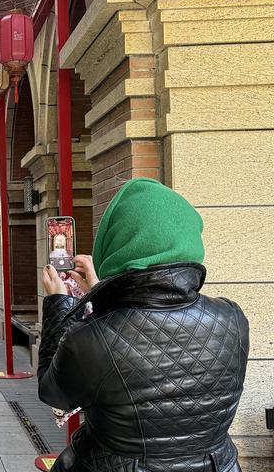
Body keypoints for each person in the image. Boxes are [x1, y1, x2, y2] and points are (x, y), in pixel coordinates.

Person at [37, 178, 249, 472]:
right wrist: (103, 292)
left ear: (116, 245)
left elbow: (53, 392)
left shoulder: (90, 339)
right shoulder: (232, 318)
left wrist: (60, 305)